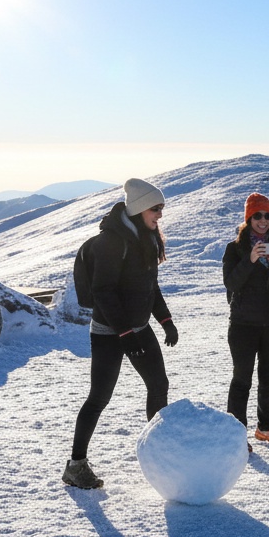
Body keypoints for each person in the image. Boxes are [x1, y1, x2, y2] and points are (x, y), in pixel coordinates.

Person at [63, 178, 180, 490]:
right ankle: (75, 465)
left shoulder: (147, 238)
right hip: (107, 333)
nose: (160, 214)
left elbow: (149, 287)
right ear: (140, 208)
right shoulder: (111, 243)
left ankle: (159, 453)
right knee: (99, 397)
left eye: (161, 208)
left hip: (138, 329)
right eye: (156, 208)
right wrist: (124, 333)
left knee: (159, 385)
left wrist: (165, 320)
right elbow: (103, 293)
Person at [222, 192, 269, 449]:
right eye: (257, 216)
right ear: (249, 218)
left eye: (268, 215)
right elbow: (230, 283)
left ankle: (266, 427)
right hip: (243, 324)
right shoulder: (234, 249)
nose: (263, 220)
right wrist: (251, 259)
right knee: (241, 379)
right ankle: (236, 434)